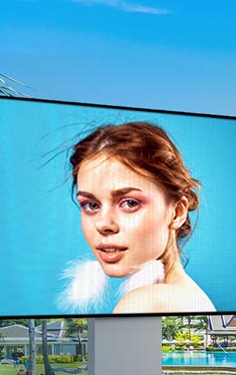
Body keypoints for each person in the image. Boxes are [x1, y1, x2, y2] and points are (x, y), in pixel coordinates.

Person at [58, 122, 215, 314]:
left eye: (130, 203)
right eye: (91, 205)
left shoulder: (146, 303)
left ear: (177, 212)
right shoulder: (185, 295)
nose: (103, 224)